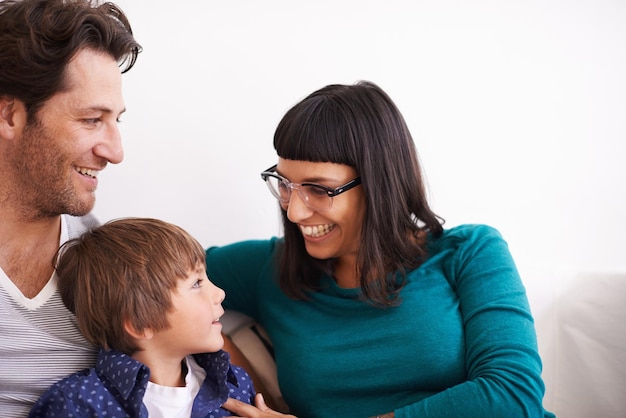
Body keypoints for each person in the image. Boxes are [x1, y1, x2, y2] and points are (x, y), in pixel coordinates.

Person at [206, 81, 556, 418]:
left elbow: (513, 397)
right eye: (285, 184)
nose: (294, 210)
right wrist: (226, 362)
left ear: (379, 181)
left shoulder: (470, 251)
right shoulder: (268, 268)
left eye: (319, 189)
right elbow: (159, 277)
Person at [0, 0, 141, 416]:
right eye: (92, 120)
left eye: (117, 120)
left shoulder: (109, 262)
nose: (115, 152)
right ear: (10, 114)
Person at [29, 217, 262, 417]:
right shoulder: (76, 404)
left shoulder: (235, 386)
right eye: (197, 283)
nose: (219, 293)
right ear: (140, 324)